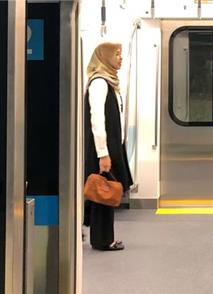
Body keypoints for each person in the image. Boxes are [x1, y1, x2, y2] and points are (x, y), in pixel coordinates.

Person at [83, 42, 134, 251]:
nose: (120, 58)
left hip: (110, 145)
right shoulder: (99, 83)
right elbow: (97, 119)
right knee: (103, 191)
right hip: (102, 147)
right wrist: (103, 153)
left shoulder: (109, 81)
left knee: (103, 190)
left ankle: (101, 235)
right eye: (117, 54)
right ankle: (104, 239)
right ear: (105, 57)